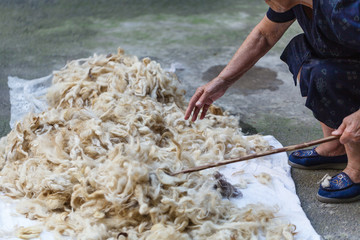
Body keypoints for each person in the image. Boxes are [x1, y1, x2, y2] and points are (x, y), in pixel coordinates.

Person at [184, 0, 360, 203]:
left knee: (326, 73)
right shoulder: (296, 2)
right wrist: (222, 81)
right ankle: (336, 146)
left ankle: (357, 167)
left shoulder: (346, 8)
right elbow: (264, 35)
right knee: (304, 51)